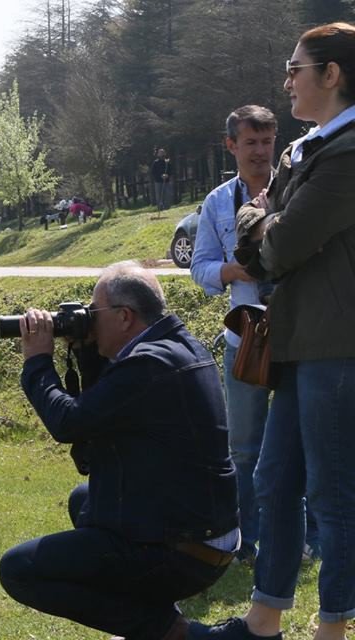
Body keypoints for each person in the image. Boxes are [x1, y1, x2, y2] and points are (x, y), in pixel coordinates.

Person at [190, 22, 355, 640]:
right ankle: (263, 622)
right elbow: (255, 239)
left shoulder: (347, 153)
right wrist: (266, 223)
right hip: (292, 346)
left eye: (296, 68)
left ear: (331, 75)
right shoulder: (306, 150)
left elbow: (276, 246)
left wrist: (263, 222)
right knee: (273, 480)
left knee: (333, 497)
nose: (287, 79)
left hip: (336, 350)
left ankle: (332, 628)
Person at [0, 261, 238, 640]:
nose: (89, 322)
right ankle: (154, 620)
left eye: (95, 313)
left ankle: (177, 632)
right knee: (85, 499)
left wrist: (38, 360)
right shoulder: (176, 346)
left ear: (125, 317)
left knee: (18, 569)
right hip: (205, 533)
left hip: (185, 551)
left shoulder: (148, 364)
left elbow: (69, 423)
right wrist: (88, 353)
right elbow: (98, 432)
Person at [190, 105, 278, 567]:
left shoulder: (297, 190)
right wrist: (231, 269)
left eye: (267, 142)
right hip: (244, 342)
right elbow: (198, 266)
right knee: (244, 445)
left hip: (300, 337)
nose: (261, 152)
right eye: (251, 143)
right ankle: (247, 539)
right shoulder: (218, 202)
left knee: (305, 438)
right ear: (231, 146)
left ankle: (310, 535)